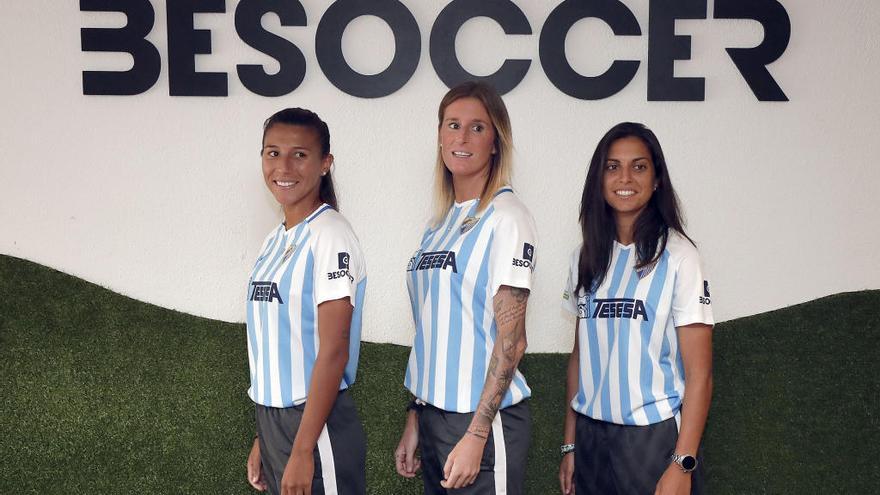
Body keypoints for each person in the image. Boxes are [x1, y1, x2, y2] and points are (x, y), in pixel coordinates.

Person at [394, 81, 537, 495]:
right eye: (452, 125)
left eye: (477, 127)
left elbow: (513, 341)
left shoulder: (507, 217)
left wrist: (477, 435)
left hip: (483, 424)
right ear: (439, 137)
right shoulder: (437, 225)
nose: (461, 136)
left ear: (496, 141)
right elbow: (430, 329)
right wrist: (416, 416)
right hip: (435, 418)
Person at [558, 122, 714, 495]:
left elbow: (700, 375)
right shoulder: (585, 256)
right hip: (591, 436)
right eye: (612, 167)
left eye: (639, 166)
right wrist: (570, 444)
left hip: (652, 440)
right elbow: (581, 358)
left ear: (657, 178)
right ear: (599, 178)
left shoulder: (680, 257)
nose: (625, 177)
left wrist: (683, 463)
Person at [245, 108, 367, 495]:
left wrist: (301, 449)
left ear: (324, 163)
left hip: (317, 428)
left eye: (299, 154)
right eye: (272, 152)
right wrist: (263, 436)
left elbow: (334, 350)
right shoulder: (275, 239)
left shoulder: (330, 235)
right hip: (277, 423)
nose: (283, 165)